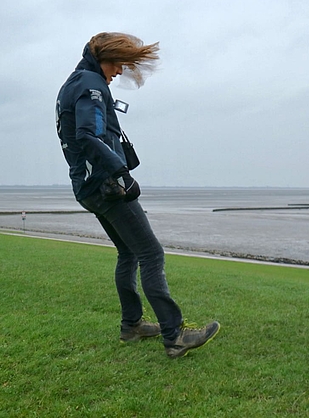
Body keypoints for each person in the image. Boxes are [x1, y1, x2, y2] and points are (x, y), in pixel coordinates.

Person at [55, 32, 220, 358]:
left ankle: (131, 326)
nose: (119, 72)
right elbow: (88, 135)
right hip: (106, 186)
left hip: (87, 187)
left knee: (128, 254)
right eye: (119, 64)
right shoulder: (91, 86)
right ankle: (175, 336)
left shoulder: (73, 83)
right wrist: (121, 172)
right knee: (151, 255)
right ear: (106, 58)